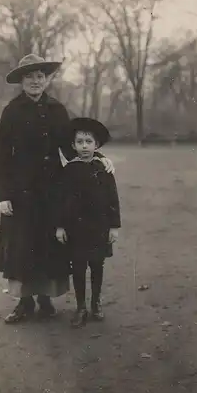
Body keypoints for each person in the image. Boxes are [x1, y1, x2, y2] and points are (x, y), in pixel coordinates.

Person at [0, 54, 115, 324]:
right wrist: (3, 195)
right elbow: (1, 155)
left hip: (51, 187)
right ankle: (24, 302)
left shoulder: (57, 110)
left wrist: (99, 158)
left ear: (47, 79)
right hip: (21, 189)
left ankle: (45, 298)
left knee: (48, 243)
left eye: (40, 76)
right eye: (29, 77)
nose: (35, 81)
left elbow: (72, 146)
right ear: (22, 81)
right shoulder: (11, 111)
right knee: (22, 245)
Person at [54, 118, 121, 328]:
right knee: (79, 267)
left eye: (89, 142)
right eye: (80, 142)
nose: (84, 146)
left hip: (98, 227)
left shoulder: (103, 169)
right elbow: (60, 201)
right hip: (76, 229)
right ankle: (81, 306)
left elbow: (112, 199)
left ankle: (96, 303)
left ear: (96, 145)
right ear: (73, 145)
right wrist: (60, 226)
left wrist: (114, 226)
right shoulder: (68, 171)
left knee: (97, 265)